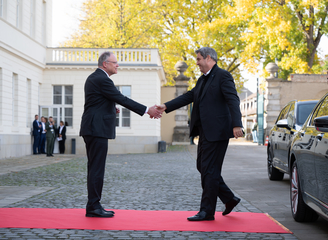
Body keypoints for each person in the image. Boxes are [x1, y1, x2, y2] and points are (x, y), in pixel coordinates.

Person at [156, 47, 243, 221]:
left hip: (218, 132)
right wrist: (166, 106)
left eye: (198, 59)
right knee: (203, 168)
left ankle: (207, 211)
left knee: (209, 171)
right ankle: (229, 198)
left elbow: (233, 99)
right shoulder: (202, 80)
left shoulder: (223, 76)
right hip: (204, 132)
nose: (196, 63)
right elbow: (189, 96)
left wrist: (236, 125)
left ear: (208, 58)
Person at [79, 51, 162, 218]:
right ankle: (93, 206)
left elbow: (97, 102)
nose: (117, 65)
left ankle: (93, 205)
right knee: (96, 169)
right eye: (114, 62)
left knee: (94, 168)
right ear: (105, 64)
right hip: (97, 129)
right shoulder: (102, 79)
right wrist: (147, 110)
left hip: (93, 128)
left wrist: (110, 108)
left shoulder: (95, 78)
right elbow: (122, 98)